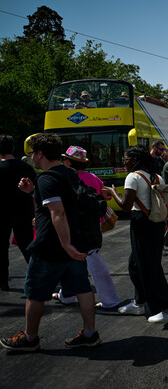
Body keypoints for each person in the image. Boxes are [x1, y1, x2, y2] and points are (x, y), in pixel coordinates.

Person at [1, 134, 101, 351]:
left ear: (39, 154)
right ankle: (90, 333)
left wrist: (65, 244)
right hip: (76, 243)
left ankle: (30, 338)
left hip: (51, 247)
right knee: (82, 287)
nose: (31, 159)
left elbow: (58, 212)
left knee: (34, 292)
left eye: (32, 154)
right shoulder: (69, 173)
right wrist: (32, 193)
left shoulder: (46, 178)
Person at [106, 146, 168, 324]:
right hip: (156, 223)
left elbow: (125, 206)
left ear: (135, 160)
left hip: (141, 223)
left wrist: (113, 192)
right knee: (135, 264)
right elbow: (166, 204)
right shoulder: (156, 176)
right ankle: (140, 301)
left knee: (150, 267)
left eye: (126, 159)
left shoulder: (133, 177)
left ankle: (166, 309)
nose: (124, 162)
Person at [51, 146, 120, 308]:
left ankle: (108, 300)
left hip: (72, 226)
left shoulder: (64, 178)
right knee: (83, 260)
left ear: (69, 162)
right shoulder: (93, 178)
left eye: (65, 159)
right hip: (91, 226)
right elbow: (104, 197)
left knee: (76, 261)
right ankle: (67, 295)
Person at [0, 135, 36, 291]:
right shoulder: (26, 168)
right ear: (13, 148)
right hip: (24, 213)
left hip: (2, 214)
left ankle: (3, 282)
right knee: (28, 247)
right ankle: (37, 277)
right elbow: (36, 192)